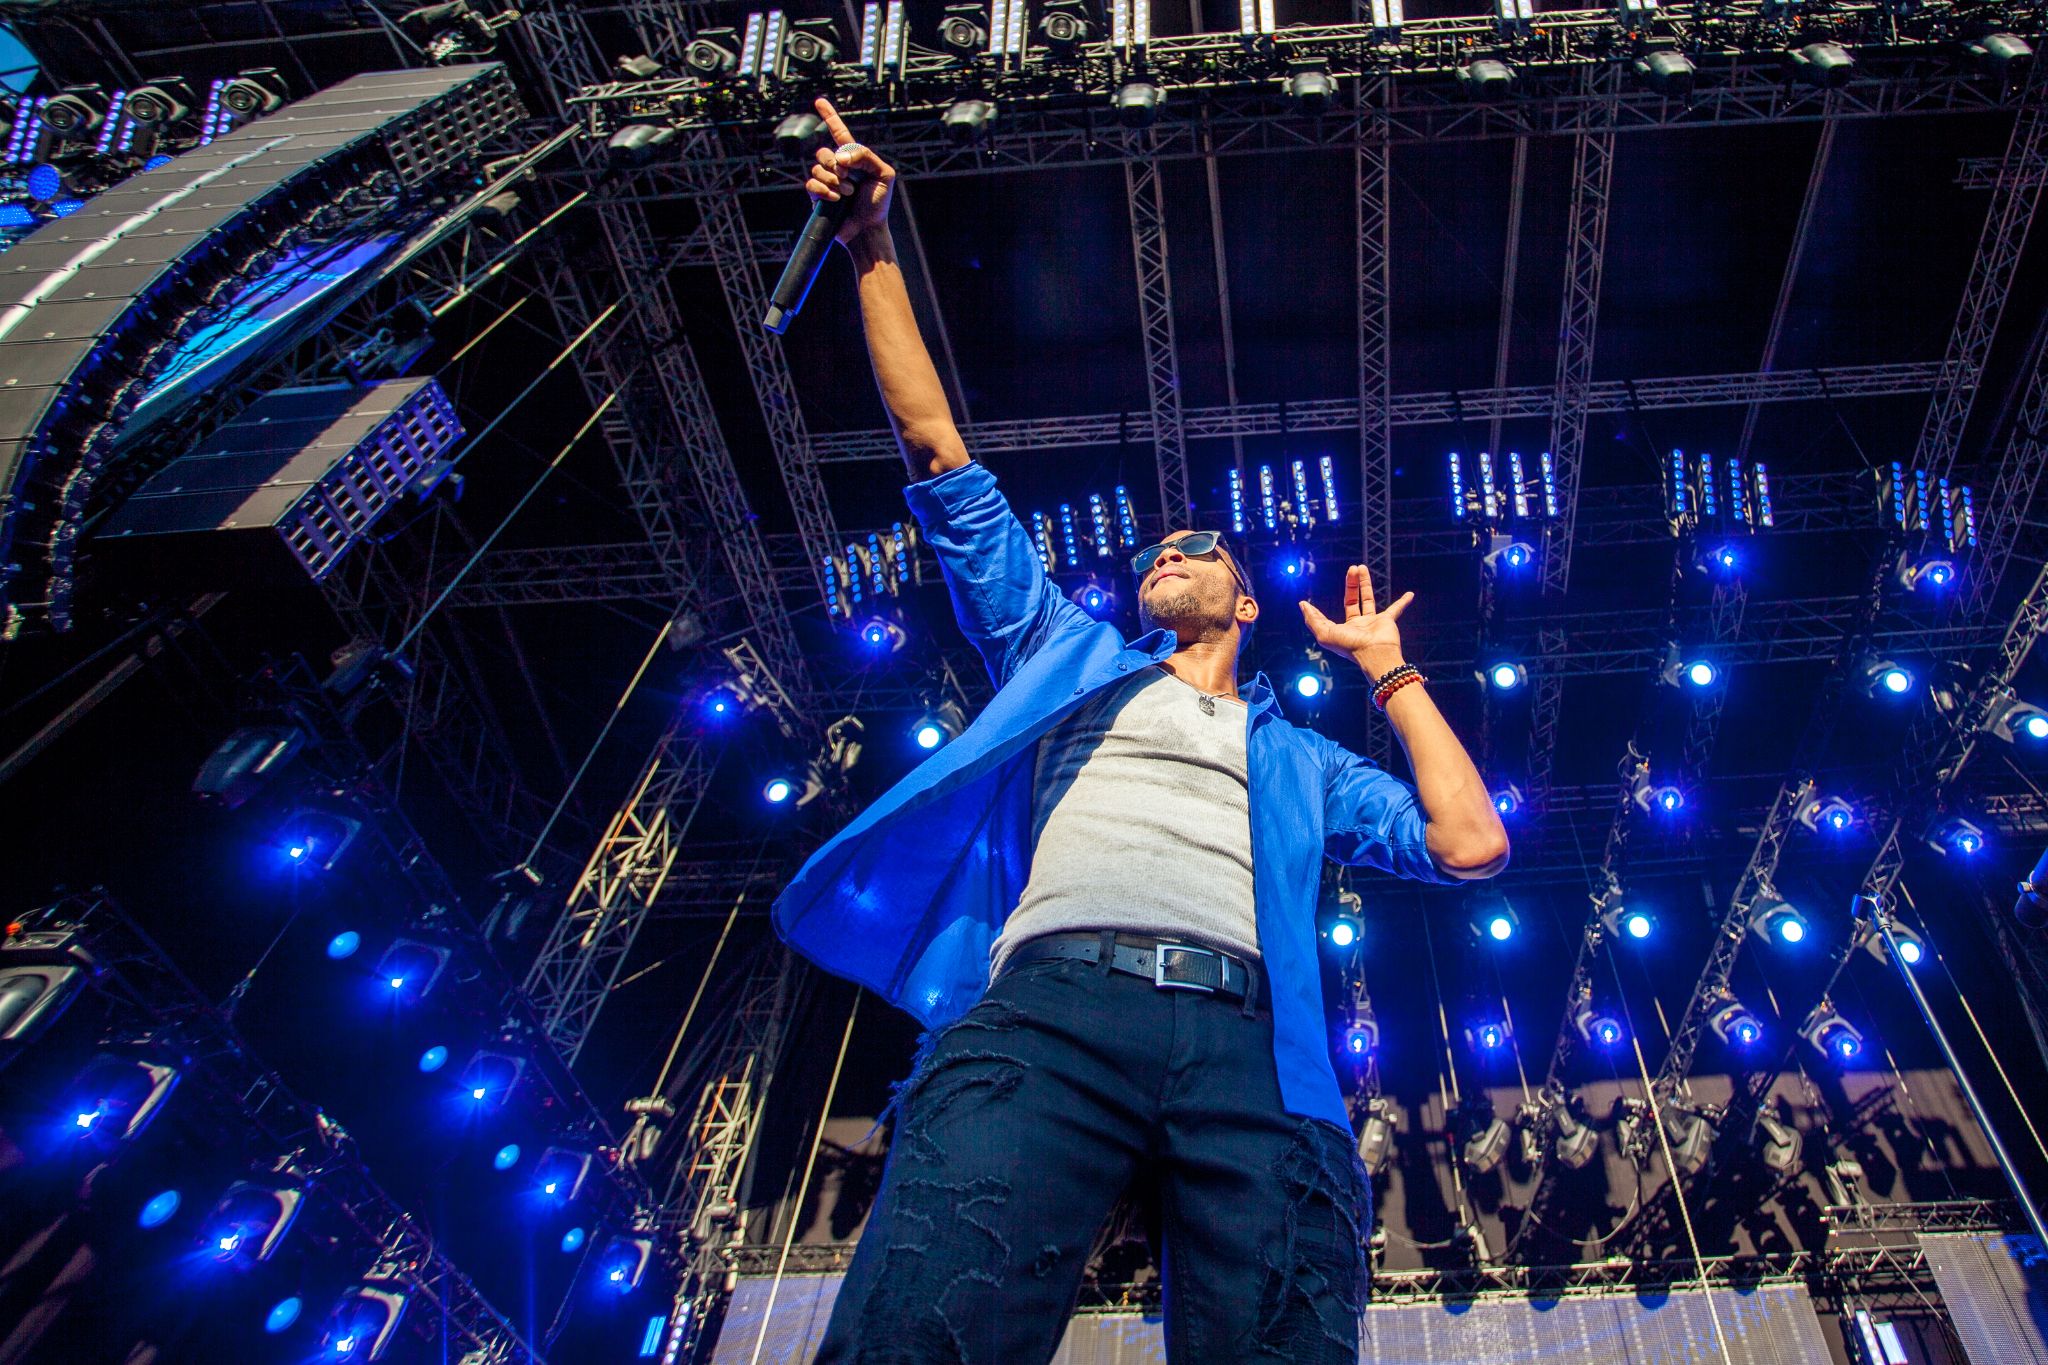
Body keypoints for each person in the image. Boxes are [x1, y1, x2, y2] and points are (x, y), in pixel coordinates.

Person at [770, 97, 1509, 1364]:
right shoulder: (1067, 657)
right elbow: (936, 449)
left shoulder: (1298, 757)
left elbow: (1469, 845)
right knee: (919, 1328)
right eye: (1154, 555)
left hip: (1251, 1052)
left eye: (1195, 550)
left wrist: (1391, 675)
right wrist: (871, 247)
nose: (1164, 555)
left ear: (1242, 597)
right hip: (1047, 1010)